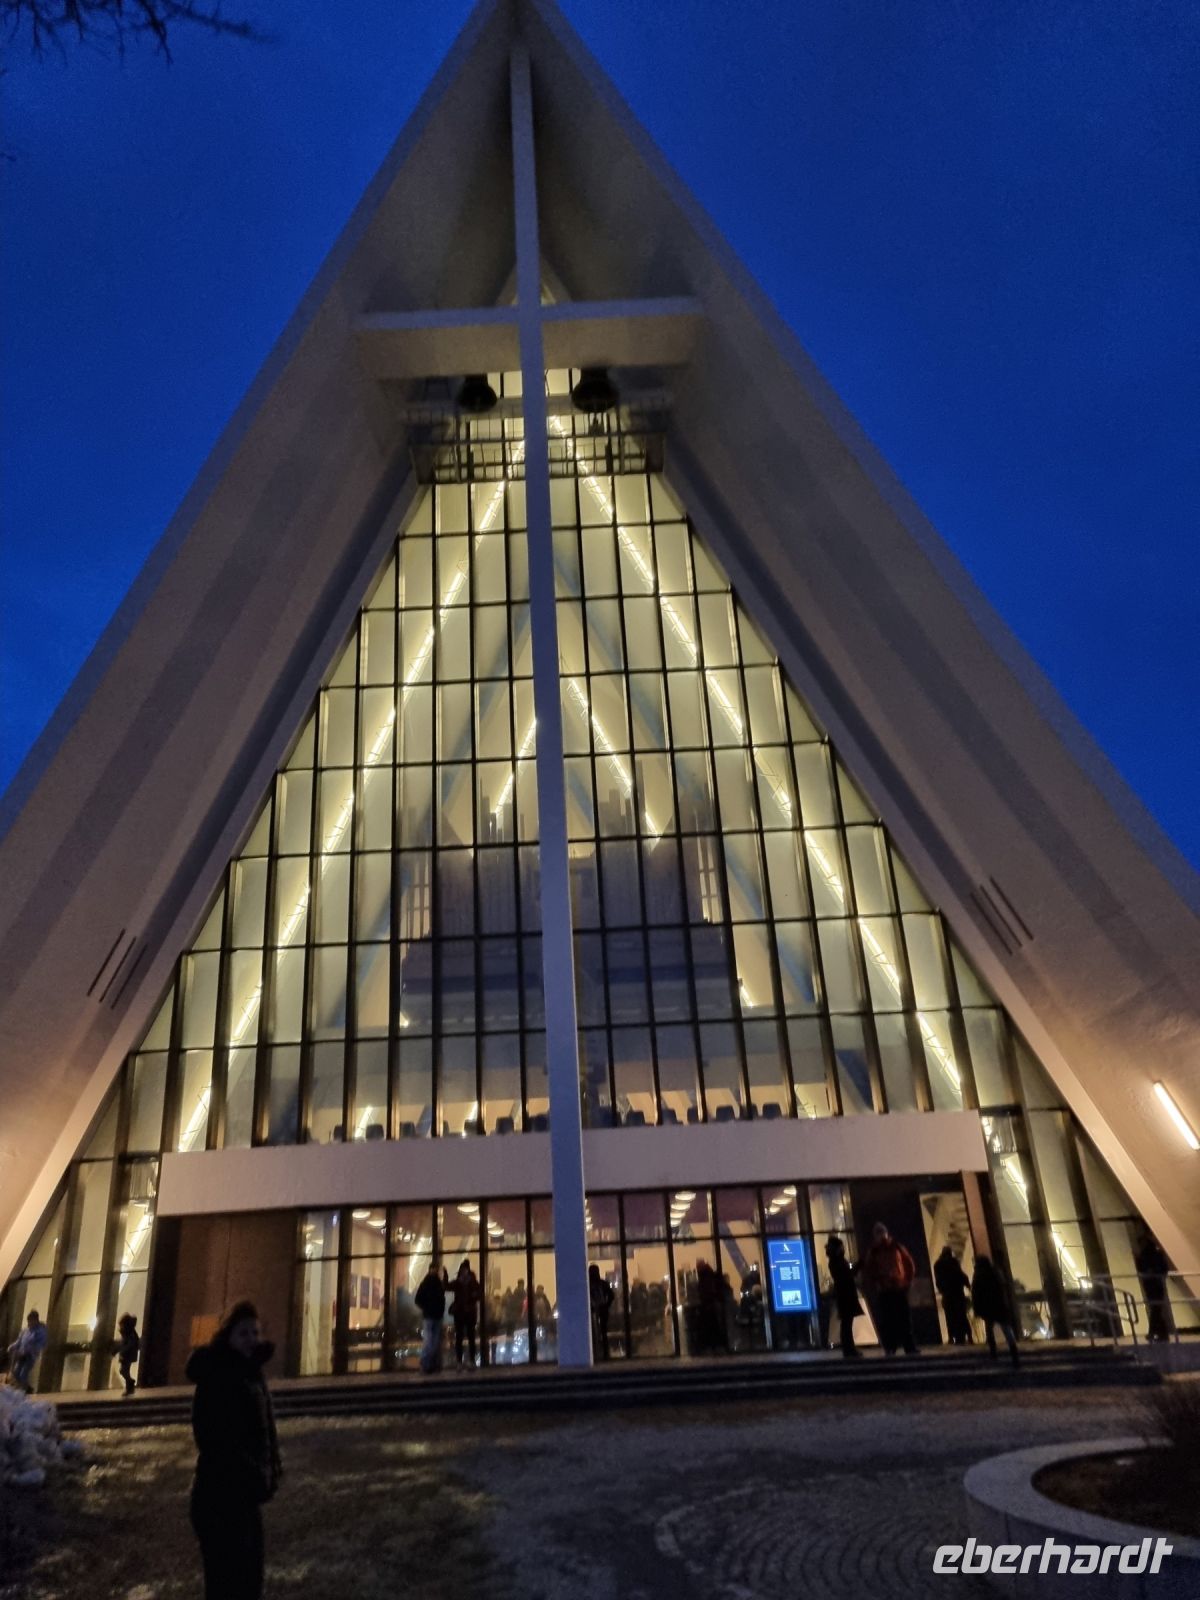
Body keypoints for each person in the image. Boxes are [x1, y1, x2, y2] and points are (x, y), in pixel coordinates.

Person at [186, 1300, 281, 1600]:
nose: (252, 1339)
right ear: (227, 1336)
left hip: (243, 1496)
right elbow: (213, 1439)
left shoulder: (251, 1372)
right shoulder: (218, 1376)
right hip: (219, 1496)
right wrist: (252, 1473)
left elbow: (265, 1430)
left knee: (249, 1582)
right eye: (243, 1333)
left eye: (255, 1332)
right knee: (228, 1585)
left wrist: (272, 1469)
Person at [859, 1222, 918, 1355]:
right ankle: (898, 1347)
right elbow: (870, 1270)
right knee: (892, 1319)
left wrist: (907, 1281)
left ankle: (900, 1347)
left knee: (899, 1319)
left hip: (894, 1287)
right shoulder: (880, 1250)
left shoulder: (892, 1248)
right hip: (888, 1288)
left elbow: (909, 1264)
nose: (881, 1236)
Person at [970, 1255, 1020, 1366]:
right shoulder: (995, 1273)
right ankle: (1014, 1353)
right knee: (1007, 1330)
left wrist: (977, 1309)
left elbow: (976, 1294)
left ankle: (993, 1353)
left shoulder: (978, 1274)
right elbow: (1003, 1288)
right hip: (999, 1306)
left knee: (989, 1329)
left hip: (988, 1307)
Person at [824, 1236, 864, 1359]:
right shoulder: (837, 1261)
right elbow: (847, 1275)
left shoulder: (835, 1261)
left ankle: (849, 1348)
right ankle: (849, 1348)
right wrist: (858, 1266)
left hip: (844, 1294)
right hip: (846, 1295)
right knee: (847, 1324)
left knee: (846, 1323)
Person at [1134, 1232, 1173, 1343]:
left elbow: (1142, 1269)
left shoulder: (1146, 1256)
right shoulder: (1156, 1254)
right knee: (1156, 1309)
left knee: (1155, 1309)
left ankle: (1155, 1332)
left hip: (1152, 1285)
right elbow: (1164, 1269)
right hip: (1156, 1284)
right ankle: (1161, 1333)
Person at [934, 1246, 973, 1345]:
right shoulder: (954, 1262)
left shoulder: (938, 1264)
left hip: (947, 1294)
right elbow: (961, 1275)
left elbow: (938, 1280)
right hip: (958, 1293)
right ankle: (968, 1336)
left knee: (950, 1317)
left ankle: (952, 1338)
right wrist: (968, 1285)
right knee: (962, 1316)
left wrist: (942, 1289)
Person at [414, 1262, 447, 1374]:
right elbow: (441, 1298)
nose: (435, 1271)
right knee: (432, 1342)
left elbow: (418, 1300)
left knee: (430, 1341)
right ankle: (431, 1364)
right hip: (434, 1316)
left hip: (430, 1316)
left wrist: (426, 1307)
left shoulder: (426, 1283)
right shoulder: (436, 1284)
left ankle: (427, 1365)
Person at [6, 1309, 49, 1393]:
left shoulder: (41, 1331)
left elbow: (41, 1344)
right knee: (16, 1372)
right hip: (21, 1355)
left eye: (31, 1320)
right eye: (28, 1320)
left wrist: (30, 1349)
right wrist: (11, 1347)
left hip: (31, 1356)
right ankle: (28, 1388)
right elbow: (19, 1341)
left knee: (23, 1373)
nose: (29, 1323)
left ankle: (25, 1391)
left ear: (36, 1320)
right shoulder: (25, 1330)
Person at [451, 1258, 481, 1370]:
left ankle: (463, 1362)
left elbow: (447, 1286)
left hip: (463, 1314)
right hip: (467, 1314)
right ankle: (468, 1361)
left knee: (462, 1338)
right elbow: (479, 1294)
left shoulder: (459, 1282)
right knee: (468, 1338)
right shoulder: (472, 1282)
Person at [589, 1263, 615, 1359]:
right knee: (603, 1332)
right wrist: (606, 1305)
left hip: (592, 1311)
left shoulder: (588, 1284)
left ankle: (596, 1353)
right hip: (602, 1310)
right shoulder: (603, 1283)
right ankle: (604, 1353)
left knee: (593, 1333)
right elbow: (611, 1295)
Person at [116, 1311, 141, 1396]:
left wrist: (122, 1350)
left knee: (124, 1371)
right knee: (124, 1371)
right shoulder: (127, 1333)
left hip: (127, 1355)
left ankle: (130, 1385)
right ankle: (130, 1387)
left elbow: (129, 1344)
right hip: (126, 1355)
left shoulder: (129, 1333)